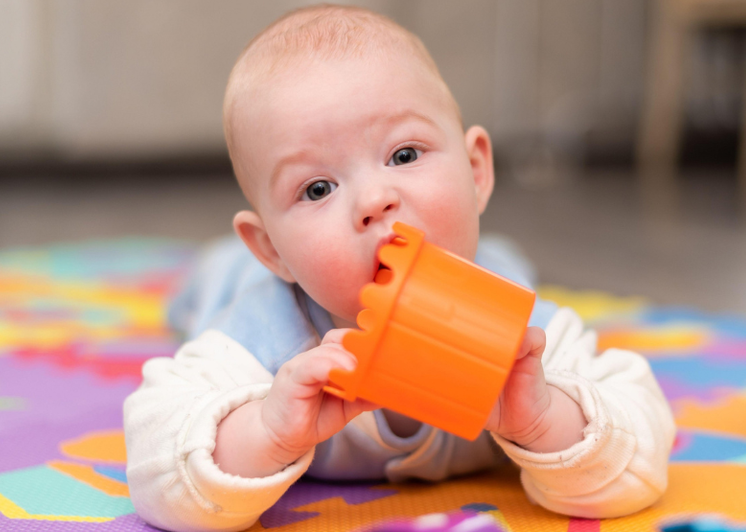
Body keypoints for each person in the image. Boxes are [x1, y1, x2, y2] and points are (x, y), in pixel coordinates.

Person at [123, 5, 676, 532]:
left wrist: (544, 420)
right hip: (237, 284)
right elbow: (155, 465)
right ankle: (219, 266)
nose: (374, 199)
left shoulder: (523, 338)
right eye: (318, 188)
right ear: (272, 249)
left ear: (476, 171)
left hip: (490, 273)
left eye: (404, 155)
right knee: (212, 285)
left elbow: (642, 455)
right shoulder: (267, 338)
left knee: (500, 262)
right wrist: (265, 431)